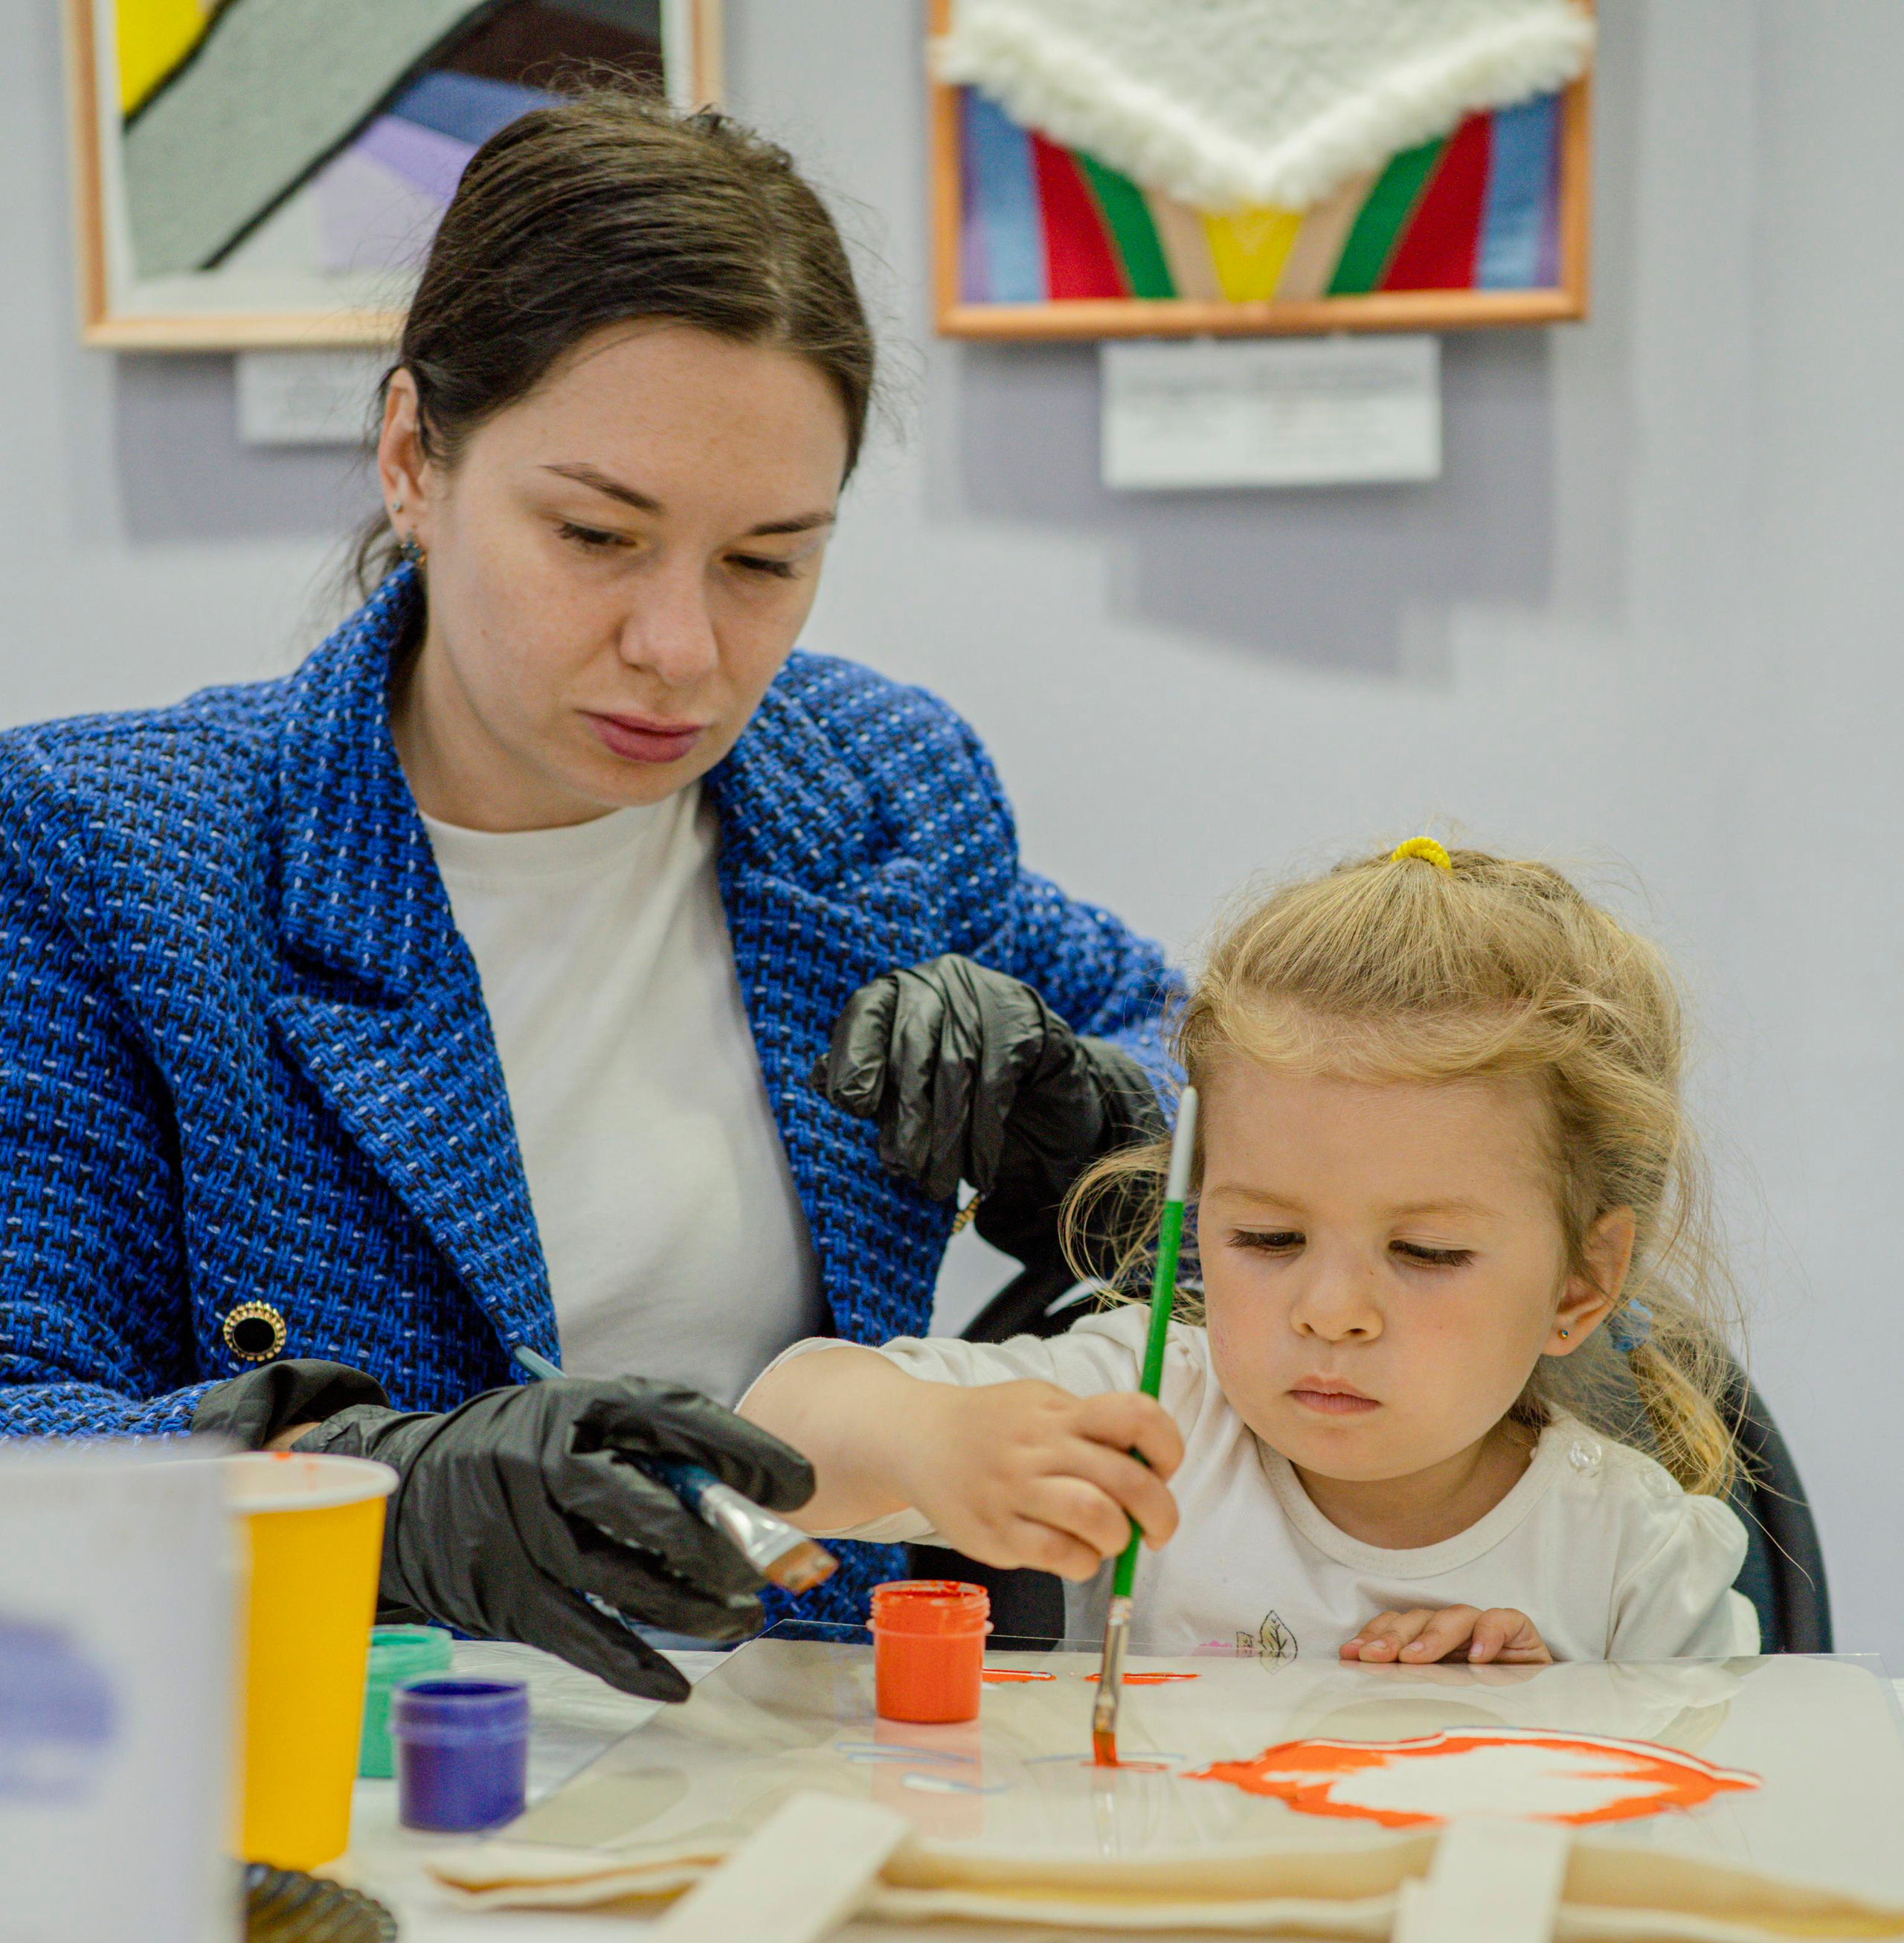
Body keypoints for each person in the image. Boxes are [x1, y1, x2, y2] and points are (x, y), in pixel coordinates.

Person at [0, 91, 1176, 1698]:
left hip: (817, 1745)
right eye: (597, 534)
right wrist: (383, 1498)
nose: (681, 650)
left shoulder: (879, 792)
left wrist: (1094, 1117)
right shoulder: (112, 850)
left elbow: (1209, 1065)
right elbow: (24, 1428)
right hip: (350, 1759)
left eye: (766, 560)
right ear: (412, 457)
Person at [741, 838, 1758, 1665]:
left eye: (1426, 1251)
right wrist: (930, 1439)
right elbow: (766, 1442)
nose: (1331, 1309)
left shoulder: (1638, 1567)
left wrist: (1557, 1729)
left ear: (1582, 1281)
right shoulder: (1152, 1413)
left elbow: (1717, 1827)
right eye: (1268, 1237)